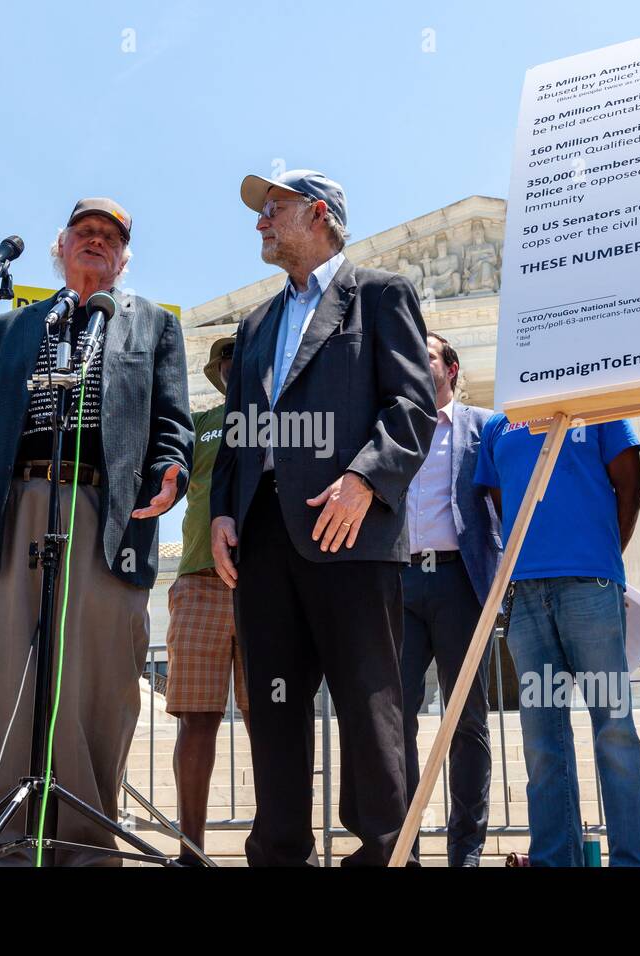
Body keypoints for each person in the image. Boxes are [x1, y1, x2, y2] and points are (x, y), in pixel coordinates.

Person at [0, 197, 193, 865]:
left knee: (101, 679)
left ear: (125, 256)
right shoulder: (12, 327)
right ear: (62, 244)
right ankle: (12, 839)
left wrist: (171, 469)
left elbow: (172, 421)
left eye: (111, 236)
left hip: (108, 514)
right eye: (86, 232)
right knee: (16, 668)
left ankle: (85, 843)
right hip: (18, 505)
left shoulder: (156, 326)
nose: (97, 242)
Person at [210, 168, 436, 866]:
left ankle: (383, 852)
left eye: (271, 210)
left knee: (370, 708)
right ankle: (280, 853)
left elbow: (412, 408)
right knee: (272, 711)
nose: (259, 223)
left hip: (350, 531)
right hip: (264, 538)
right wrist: (222, 512)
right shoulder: (254, 326)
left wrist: (364, 481)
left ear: (318, 215)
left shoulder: (380, 295)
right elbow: (238, 430)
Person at [474, 415, 640, 866]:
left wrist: (601, 559)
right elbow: (501, 505)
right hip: (527, 596)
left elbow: (630, 490)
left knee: (613, 728)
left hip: (589, 589)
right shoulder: (499, 426)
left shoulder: (599, 407)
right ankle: (556, 859)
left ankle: (632, 860)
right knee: (541, 739)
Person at [399, 332, 501, 866]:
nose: (417, 360)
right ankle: (405, 848)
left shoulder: (485, 427)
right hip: (401, 583)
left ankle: (467, 850)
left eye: (429, 354)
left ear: (452, 368)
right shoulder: (392, 430)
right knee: (396, 719)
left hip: (460, 582)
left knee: (466, 719)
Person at [165, 334, 250, 865]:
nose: (232, 363)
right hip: (199, 577)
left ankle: (280, 843)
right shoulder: (199, 425)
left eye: (243, 354)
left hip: (269, 584)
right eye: (225, 357)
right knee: (198, 718)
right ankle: (191, 849)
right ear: (217, 371)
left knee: (272, 717)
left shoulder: (289, 417)